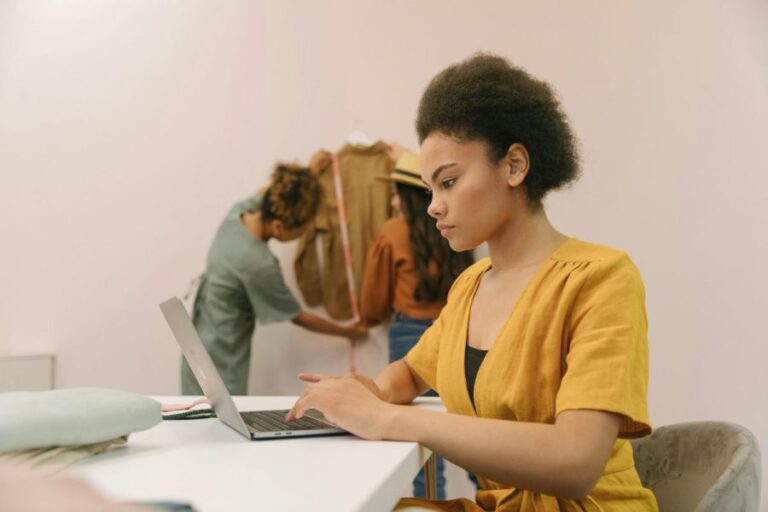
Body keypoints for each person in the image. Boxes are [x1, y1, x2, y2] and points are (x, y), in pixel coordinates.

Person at [287, 53, 658, 512]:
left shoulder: (602, 279)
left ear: (515, 165)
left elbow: (576, 462)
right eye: (429, 191)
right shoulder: (470, 285)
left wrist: (387, 419)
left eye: (448, 182)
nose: (433, 207)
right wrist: (371, 393)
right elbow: (411, 371)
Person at [181, 164, 367, 396]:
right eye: (302, 230)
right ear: (279, 227)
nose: (304, 234)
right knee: (220, 419)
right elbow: (298, 316)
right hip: (220, 356)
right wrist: (349, 332)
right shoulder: (258, 263)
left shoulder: (239, 211)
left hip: (196, 336)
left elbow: (269, 192)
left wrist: (307, 176)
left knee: (194, 414)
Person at [360, 150, 475, 499]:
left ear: (407, 196)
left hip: (409, 335)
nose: (392, 199)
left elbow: (373, 301)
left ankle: (430, 506)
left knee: (423, 447)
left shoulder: (392, 232)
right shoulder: (458, 231)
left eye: (396, 192)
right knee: (472, 432)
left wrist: (366, 319)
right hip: (459, 334)